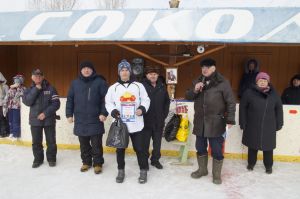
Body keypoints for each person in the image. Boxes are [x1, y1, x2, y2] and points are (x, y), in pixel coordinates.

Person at [186, 58, 236, 185]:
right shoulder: (197, 81)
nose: (204, 69)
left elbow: (230, 102)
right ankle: (202, 170)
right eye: (203, 67)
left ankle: (216, 175)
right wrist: (195, 90)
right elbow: (188, 96)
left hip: (216, 122)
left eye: (207, 67)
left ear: (214, 68)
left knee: (216, 149)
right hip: (200, 122)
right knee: (200, 147)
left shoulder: (223, 82)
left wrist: (230, 119)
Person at [105, 59, 150, 184]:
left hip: (136, 124)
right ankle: (121, 171)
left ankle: (143, 170)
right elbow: (108, 103)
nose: (124, 72)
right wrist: (113, 111)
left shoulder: (138, 86)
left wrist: (142, 108)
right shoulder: (113, 88)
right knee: (120, 149)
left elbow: (146, 100)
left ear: (130, 72)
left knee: (140, 149)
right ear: (119, 72)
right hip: (121, 125)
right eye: (122, 70)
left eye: (126, 70)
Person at [66, 61, 108, 174]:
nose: (86, 70)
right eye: (84, 68)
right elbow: (70, 99)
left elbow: (106, 100)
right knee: (83, 144)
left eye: (89, 68)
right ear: (80, 70)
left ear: (92, 70)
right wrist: (69, 114)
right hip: (80, 119)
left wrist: (104, 113)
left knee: (96, 144)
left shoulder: (100, 82)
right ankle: (86, 162)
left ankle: (98, 163)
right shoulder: (75, 83)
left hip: (96, 119)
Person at [239, 72, 283, 174]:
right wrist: (243, 122)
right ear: (256, 82)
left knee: (268, 148)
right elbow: (243, 108)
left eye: (265, 81)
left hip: (269, 125)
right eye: (260, 80)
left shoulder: (274, 94)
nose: (263, 82)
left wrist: (279, 123)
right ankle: (251, 164)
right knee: (252, 146)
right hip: (252, 124)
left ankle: (268, 166)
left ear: (268, 82)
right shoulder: (248, 93)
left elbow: (279, 109)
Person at [22, 69, 60, 168]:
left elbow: (56, 104)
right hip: (35, 121)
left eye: (40, 75)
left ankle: (51, 159)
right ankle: (38, 159)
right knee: (36, 142)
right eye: (35, 75)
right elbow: (27, 102)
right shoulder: (28, 90)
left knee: (51, 141)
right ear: (32, 77)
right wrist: (36, 89)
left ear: (43, 77)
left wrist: (45, 113)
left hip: (49, 120)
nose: (38, 77)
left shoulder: (51, 88)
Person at [141, 65, 170, 169]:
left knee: (157, 143)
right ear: (146, 75)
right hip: (145, 121)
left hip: (159, 121)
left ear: (157, 75)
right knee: (145, 144)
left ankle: (155, 160)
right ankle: (144, 161)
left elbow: (167, 101)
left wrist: (164, 114)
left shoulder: (162, 86)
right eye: (150, 74)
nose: (153, 76)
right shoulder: (141, 87)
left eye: (155, 74)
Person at [4, 75, 26, 139]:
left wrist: (18, 88)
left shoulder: (23, 88)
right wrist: (5, 105)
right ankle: (11, 132)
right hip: (10, 107)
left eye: (18, 80)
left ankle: (16, 134)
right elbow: (7, 96)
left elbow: (22, 94)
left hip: (17, 107)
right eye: (15, 80)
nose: (16, 82)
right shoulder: (11, 89)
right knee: (10, 120)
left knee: (16, 121)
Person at [0, 72, 9, 137]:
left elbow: (7, 95)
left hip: (3, 104)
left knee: (2, 118)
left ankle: (4, 132)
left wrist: (4, 101)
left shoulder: (5, 86)